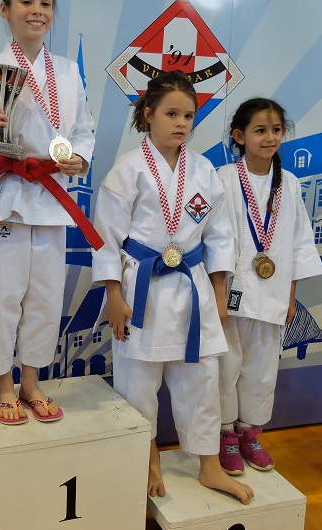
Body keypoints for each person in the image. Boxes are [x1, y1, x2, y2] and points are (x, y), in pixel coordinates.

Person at [92, 70, 253, 504]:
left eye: (188, 115)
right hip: (142, 290)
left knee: (202, 381)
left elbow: (220, 236)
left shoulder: (203, 170)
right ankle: (149, 462)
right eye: (171, 114)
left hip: (193, 289)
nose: (182, 123)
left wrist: (219, 292)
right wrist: (113, 295)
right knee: (138, 384)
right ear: (148, 114)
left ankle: (210, 466)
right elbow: (105, 237)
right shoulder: (127, 169)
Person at [0, 0, 100, 425]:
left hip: (51, 194)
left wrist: (79, 158)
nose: (37, 11)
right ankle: (3, 385)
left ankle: (32, 382)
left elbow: (84, 128)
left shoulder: (68, 71)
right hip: (9, 192)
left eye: (45, 3)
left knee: (45, 296)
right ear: (5, 10)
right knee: (1, 294)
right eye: (26, 1)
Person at [216, 97, 322, 476]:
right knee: (226, 365)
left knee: (262, 367)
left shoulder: (289, 184)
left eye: (276, 130)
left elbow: (298, 243)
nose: (270, 137)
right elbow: (214, 239)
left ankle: (249, 431)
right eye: (260, 130)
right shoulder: (223, 179)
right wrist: (217, 293)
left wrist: (290, 296)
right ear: (239, 136)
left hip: (274, 291)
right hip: (233, 291)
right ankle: (224, 434)